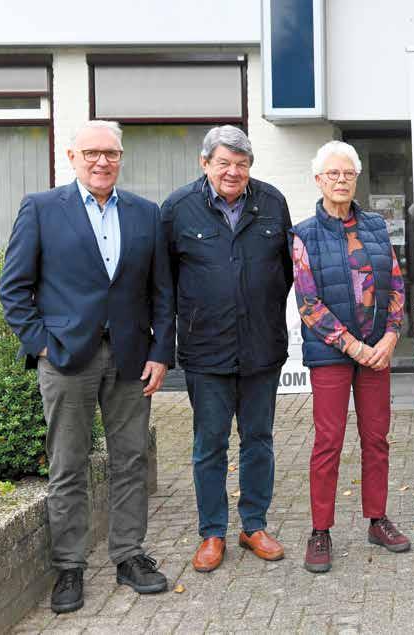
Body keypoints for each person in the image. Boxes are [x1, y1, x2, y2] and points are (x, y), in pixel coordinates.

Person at [0, 120, 174, 613]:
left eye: (111, 153)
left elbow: (163, 293)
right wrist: (41, 346)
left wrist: (161, 352)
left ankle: (129, 555)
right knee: (68, 463)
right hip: (65, 358)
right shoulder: (41, 208)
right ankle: (70, 566)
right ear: (72, 156)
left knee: (130, 459)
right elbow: (13, 288)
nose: (102, 161)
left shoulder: (145, 213)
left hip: (132, 358)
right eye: (92, 152)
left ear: (121, 159)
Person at [161, 125, 293, 573]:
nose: (233, 172)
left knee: (259, 440)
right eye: (223, 163)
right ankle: (212, 532)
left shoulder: (272, 202)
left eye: (241, 164)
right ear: (205, 164)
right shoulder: (178, 209)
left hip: (261, 347)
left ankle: (253, 525)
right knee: (210, 444)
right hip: (206, 350)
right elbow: (165, 283)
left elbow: (285, 272)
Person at [290, 140, 410, 574]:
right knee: (329, 442)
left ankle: (377, 520)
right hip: (332, 354)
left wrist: (391, 337)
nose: (341, 180)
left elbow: (395, 284)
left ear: (356, 179)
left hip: (377, 351)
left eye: (348, 173)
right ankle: (320, 530)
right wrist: (353, 346)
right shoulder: (303, 234)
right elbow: (308, 303)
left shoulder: (376, 226)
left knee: (377, 438)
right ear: (318, 180)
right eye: (333, 174)